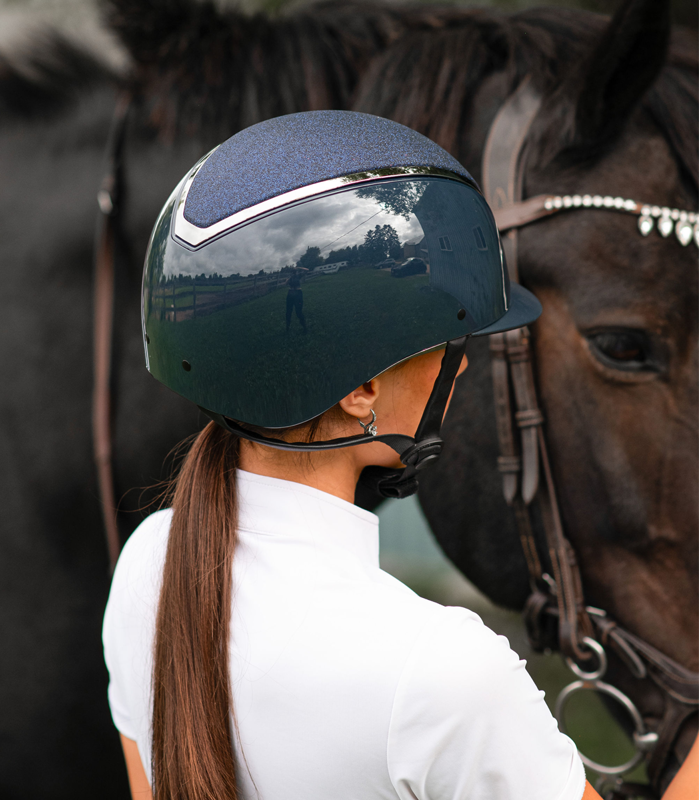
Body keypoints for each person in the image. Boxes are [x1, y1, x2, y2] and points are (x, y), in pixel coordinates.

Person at [103, 111, 698, 800]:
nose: (463, 368)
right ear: (360, 389)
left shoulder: (151, 562)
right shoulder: (441, 673)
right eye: (450, 346)